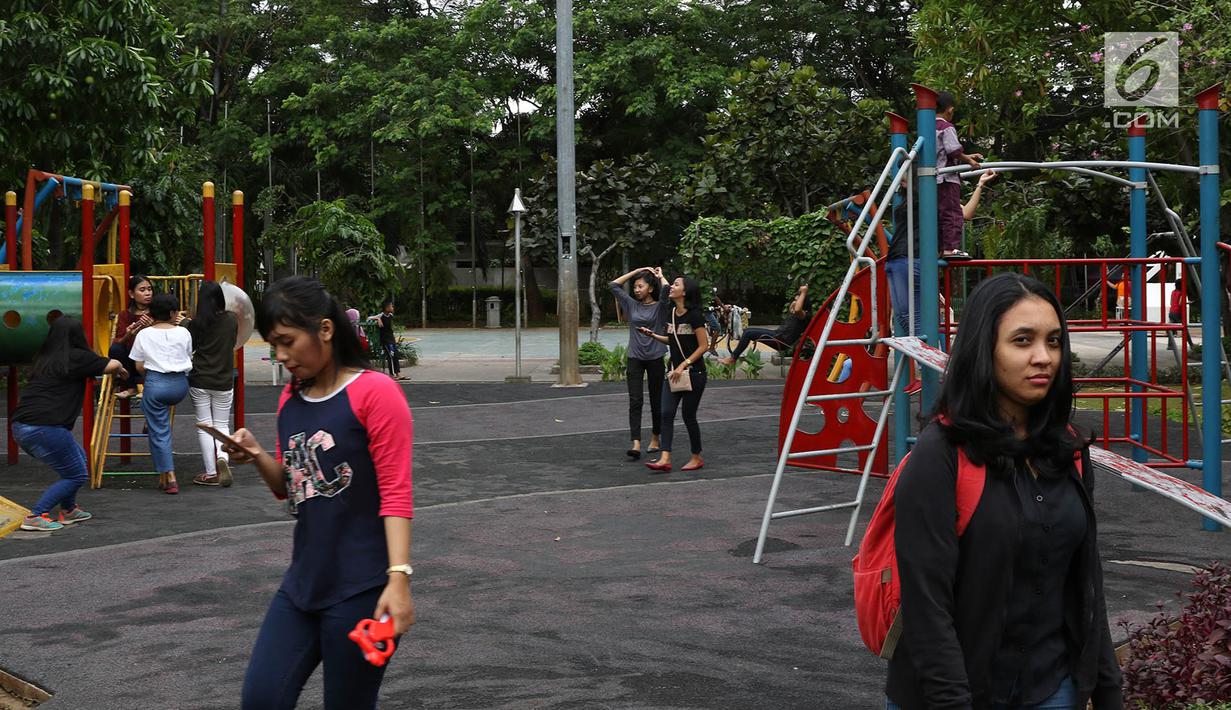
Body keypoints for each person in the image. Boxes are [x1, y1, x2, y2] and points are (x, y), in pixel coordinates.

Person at [885, 273, 1122, 709]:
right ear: (984, 349)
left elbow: (1086, 581)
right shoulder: (940, 456)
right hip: (952, 694)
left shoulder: (1066, 450)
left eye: (1053, 341)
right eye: (1022, 340)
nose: (1043, 357)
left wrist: (1107, 690)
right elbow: (927, 607)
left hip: (1050, 689)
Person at [219, 276, 414, 710]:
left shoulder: (375, 393)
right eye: (274, 344)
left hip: (362, 589)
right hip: (303, 583)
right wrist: (257, 456)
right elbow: (292, 488)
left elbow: (396, 493)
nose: (281, 356)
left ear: (325, 330)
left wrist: (398, 579)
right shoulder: (292, 396)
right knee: (262, 699)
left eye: (288, 342)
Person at [12, 317, 128, 531]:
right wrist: (122, 369)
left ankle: (68, 509)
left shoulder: (43, 358)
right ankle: (36, 515)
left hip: (21, 426)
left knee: (79, 460)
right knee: (76, 474)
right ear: (78, 336)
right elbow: (112, 364)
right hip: (46, 427)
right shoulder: (77, 357)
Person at [887, 170, 997, 337]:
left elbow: (965, 213)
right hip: (896, 259)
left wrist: (980, 185)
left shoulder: (934, 199)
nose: (900, 180)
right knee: (903, 317)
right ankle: (928, 357)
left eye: (905, 176)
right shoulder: (907, 199)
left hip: (913, 259)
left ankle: (930, 359)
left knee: (913, 319)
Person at [640, 270, 709, 473]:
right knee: (666, 414)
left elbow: (703, 345)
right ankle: (665, 458)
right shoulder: (671, 313)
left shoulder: (695, 315)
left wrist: (683, 364)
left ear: (685, 292)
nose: (672, 287)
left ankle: (696, 456)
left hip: (694, 374)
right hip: (673, 373)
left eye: (676, 284)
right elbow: (672, 340)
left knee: (689, 416)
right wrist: (653, 335)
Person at [130, 293, 193, 494]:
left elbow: (139, 366)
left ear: (151, 312)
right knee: (157, 422)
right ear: (174, 313)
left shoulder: (144, 334)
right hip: (180, 385)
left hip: (156, 384)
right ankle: (162, 475)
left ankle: (170, 476)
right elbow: (188, 355)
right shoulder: (184, 333)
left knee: (160, 431)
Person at [184, 281, 239, 487]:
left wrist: (185, 323)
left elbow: (191, 346)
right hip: (223, 380)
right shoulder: (231, 320)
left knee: (205, 425)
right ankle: (223, 459)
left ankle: (210, 472)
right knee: (222, 424)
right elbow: (233, 343)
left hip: (199, 378)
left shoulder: (196, 324)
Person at [609, 267, 667, 459]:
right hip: (634, 357)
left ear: (650, 288)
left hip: (656, 357)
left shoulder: (660, 306)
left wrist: (659, 277)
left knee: (656, 400)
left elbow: (666, 290)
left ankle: (655, 437)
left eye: (640, 286)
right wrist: (638, 271)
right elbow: (614, 285)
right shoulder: (631, 304)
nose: (636, 289)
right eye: (635, 286)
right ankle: (635, 442)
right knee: (635, 401)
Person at [936, 90, 984, 260]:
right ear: (950, 110)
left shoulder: (928, 128)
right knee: (953, 213)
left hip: (934, 179)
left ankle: (941, 248)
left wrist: (967, 158)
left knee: (940, 214)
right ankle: (950, 248)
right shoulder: (946, 127)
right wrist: (969, 161)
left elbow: (943, 152)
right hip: (948, 179)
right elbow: (953, 150)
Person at [717, 285, 809, 366]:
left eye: (798, 300)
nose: (795, 302)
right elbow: (793, 309)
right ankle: (733, 358)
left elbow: (797, 309)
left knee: (748, 333)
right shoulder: (797, 314)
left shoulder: (803, 315)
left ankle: (732, 359)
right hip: (778, 335)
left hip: (781, 340)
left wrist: (804, 292)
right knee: (747, 331)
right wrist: (795, 301)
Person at [109, 274, 154, 398]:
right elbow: (119, 341)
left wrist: (152, 328)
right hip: (131, 360)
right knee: (115, 348)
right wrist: (129, 334)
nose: (147, 293)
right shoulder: (124, 315)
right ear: (131, 294)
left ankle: (148, 386)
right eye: (142, 290)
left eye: (149, 289)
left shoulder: (158, 312)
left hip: (151, 358)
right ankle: (131, 387)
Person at [368, 301, 406, 380]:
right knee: (391, 356)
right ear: (386, 308)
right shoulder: (381, 315)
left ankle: (398, 373)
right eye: (391, 306)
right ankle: (392, 375)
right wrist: (378, 319)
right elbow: (368, 318)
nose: (392, 308)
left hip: (391, 338)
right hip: (385, 340)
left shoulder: (391, 315)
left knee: (395, 355)